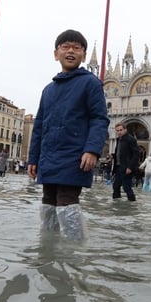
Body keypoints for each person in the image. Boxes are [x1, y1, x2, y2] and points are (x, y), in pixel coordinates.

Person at [27, 29, 109, 240]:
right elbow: (39, 126)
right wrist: (33, 159)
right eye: (65, 47)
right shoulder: (48, 89)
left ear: (83, 55)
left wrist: (92, 150)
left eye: (77, 47)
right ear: (56, 54)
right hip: (49, 156)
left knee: (67, 200)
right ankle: (47, 247)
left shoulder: (90, 83)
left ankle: (74, 254)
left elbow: (99, 119)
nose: (71, 51)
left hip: (74, 155)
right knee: (48, 201)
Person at [112, 122, 140, 202]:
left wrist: (130, 167)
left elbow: (136, 154)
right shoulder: (118, 140)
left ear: (125, 129)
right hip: (118, 167)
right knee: (115, 186)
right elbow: (121, 153)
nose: (119, 132)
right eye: (117, 130)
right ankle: (116, 203)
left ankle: (132, 203)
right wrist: (113, 156)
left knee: (126, 187)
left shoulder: (131, 139)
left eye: (121, 130)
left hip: (126, 168)